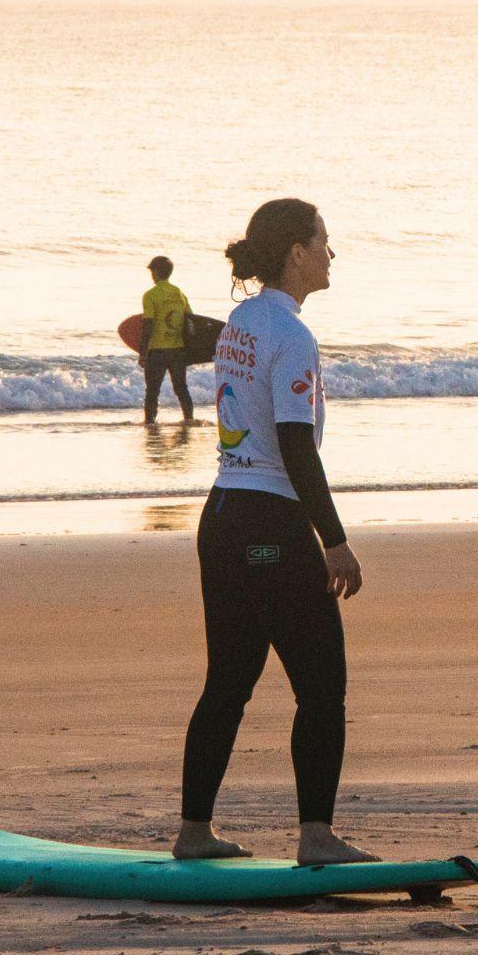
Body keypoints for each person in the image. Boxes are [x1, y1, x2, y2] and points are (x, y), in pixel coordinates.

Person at [172, 198, 376, 866]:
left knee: (228, 682)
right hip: (269, 522)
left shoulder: (242, 321)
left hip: (224, 515)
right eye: (324, 240)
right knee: (322, 686)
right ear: (297, 252)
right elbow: (295, 443)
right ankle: (317, 837)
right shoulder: (292, 335)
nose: (330, 253)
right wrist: (334, 538)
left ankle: (194, 831)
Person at [140, 256, 195, 425]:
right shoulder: (180, 294)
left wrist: (143, 352)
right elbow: (191, 321)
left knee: (152, 391)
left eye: (151, 271)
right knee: (181, 388)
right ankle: (189, 420)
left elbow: (148, 325)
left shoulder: (151, 295)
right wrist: (192, 349)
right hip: (178, 350)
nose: (151, 274)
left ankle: (149, 423)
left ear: (156, 272)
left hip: (157, 351)